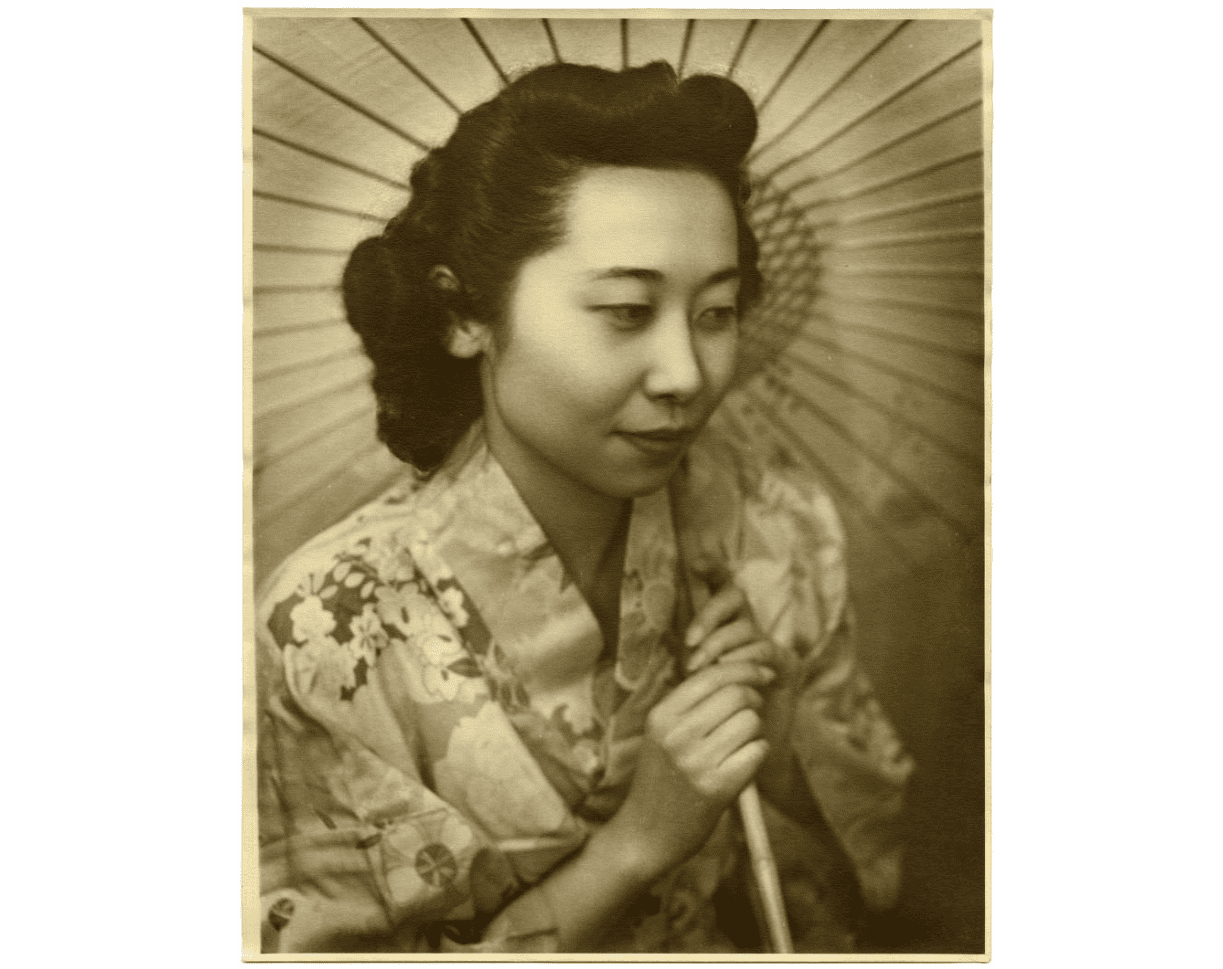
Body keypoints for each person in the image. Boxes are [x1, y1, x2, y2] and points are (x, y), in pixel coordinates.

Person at [255, 61, 914, 954]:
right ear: (466, 315)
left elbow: (888, 878)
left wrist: (786, 735)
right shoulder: (330, 629)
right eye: (627, 308)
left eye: (716, 312)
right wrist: (638, 846)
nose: (686, 374)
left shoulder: (769, 523)